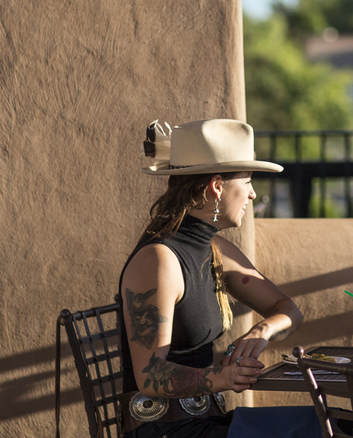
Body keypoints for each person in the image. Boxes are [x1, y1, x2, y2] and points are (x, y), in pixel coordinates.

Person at [118, 119, 310, 438]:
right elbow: (149, 376)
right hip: (168, 430)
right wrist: (221, 379)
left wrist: (261, 331)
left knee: (327, 423)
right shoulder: (158, 260)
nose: (251, 194)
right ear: (217, 186)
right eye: (246, 182)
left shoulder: (217, 249)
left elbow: (289, 310)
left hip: (207, 423)